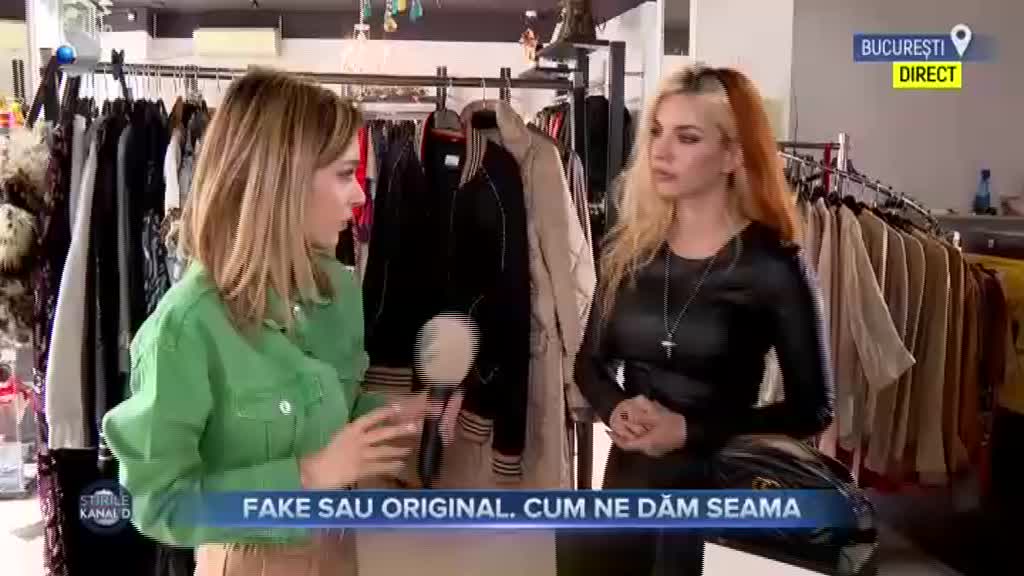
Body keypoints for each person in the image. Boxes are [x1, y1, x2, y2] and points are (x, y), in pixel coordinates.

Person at [102, 70, 427, 576]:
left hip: (341, 550)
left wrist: (398, 414)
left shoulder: (336, 293)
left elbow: (335, 407)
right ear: (283, 182)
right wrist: (307, 476)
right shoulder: (187, 329)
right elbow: (159, 503)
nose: (361, 197)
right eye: (345, 174)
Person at [573, 66, 834, 575]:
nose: (661, 151)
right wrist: (615, 406)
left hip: (720, 496)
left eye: (687, 137)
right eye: (657, 132)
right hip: (626, 491)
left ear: (733, 155)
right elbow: (589, 363)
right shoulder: (629, 252)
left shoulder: (773, 264)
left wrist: (691, 430)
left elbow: (814, 408)